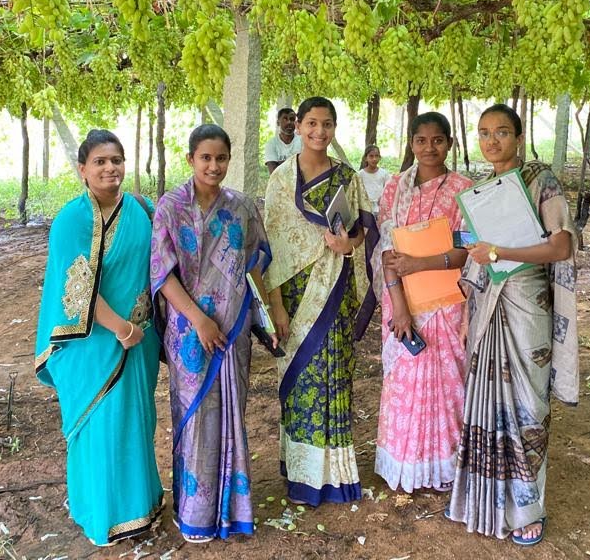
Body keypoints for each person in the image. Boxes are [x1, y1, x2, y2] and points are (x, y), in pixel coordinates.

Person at [445, 104, 578, 547]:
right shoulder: (481, 191)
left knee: (527, 408)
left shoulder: (541, 181)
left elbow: (560, 248)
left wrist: (502, 252)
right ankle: (482, 500)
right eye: (484, 133)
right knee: (483, 404)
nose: (492, 141)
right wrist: (468, 314)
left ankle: (527, 509)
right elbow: (474, 258)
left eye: (502, 132)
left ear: (519, 138)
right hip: (486, 308)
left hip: (527, 305)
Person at [150, 125, 288, 544]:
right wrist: (199, 320)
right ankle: (195, 514)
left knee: (231, 415)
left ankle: (231, 511)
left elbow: (257, 266)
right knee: (194, 419)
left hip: (233, 331)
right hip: (189, 333)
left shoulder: (241, 207)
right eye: (205, 158)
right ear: (190, 159)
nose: (214, 166)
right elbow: (162, 274)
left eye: (221, 158)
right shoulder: (171, 206)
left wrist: (269, 318)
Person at [34, 129, 163, 547]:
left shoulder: (141, 210)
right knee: (100, 427)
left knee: (135, 422)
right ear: (83, 170)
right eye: (100, 162)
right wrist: (121, 329)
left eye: (117, 160)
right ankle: (104, 514)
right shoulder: (71, 220)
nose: (110, 168)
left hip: (138, 342)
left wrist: (137, 331)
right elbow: (78, 288)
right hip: (92, 345)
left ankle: (141, 504)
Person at [263, 97, 377, 506]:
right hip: (294, 296)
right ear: (298, 125)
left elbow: (362, 229)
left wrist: (349, 244)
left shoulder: (347, 177)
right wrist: (276, 305)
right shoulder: (281, 180)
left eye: (327, 124)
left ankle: (335, 475)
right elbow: (272, 247)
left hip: (336, 291)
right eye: (311, 123)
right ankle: (301, 474)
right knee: (300, 380)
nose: (319, 131)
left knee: (335, 373)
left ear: (334, 128)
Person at [371, 112, 473, 494]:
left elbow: (467, 251)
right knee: (404, 383)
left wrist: (420, 263)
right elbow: (386, 252)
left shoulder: (464, 190)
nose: (429, 148)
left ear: (449, 144)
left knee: (447, 384)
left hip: (446, 304)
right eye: (421, 140)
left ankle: (445, 465)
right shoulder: (394, 188)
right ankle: (406, 465)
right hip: (401, 301)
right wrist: (400, 306)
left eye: (438, 140)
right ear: (411, 143)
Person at [264, 107, 302, 173]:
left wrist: (280, 163)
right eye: (285, 119)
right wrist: (297, 162)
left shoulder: (302, 141)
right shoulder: (271, 144)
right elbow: (274, 172)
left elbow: (307, 167)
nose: (289, 122)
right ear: (278, 123)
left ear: (296, 123)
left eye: (292, 119)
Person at [358, 144, 391, 209]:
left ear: (379, 157)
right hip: (365, 208)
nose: (374, 159)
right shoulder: (360, 174)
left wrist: (383, 198)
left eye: (376, 156)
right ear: (366, 158)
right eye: (371, 156)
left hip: (380, 207)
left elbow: (388, 190)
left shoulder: (384, 174)